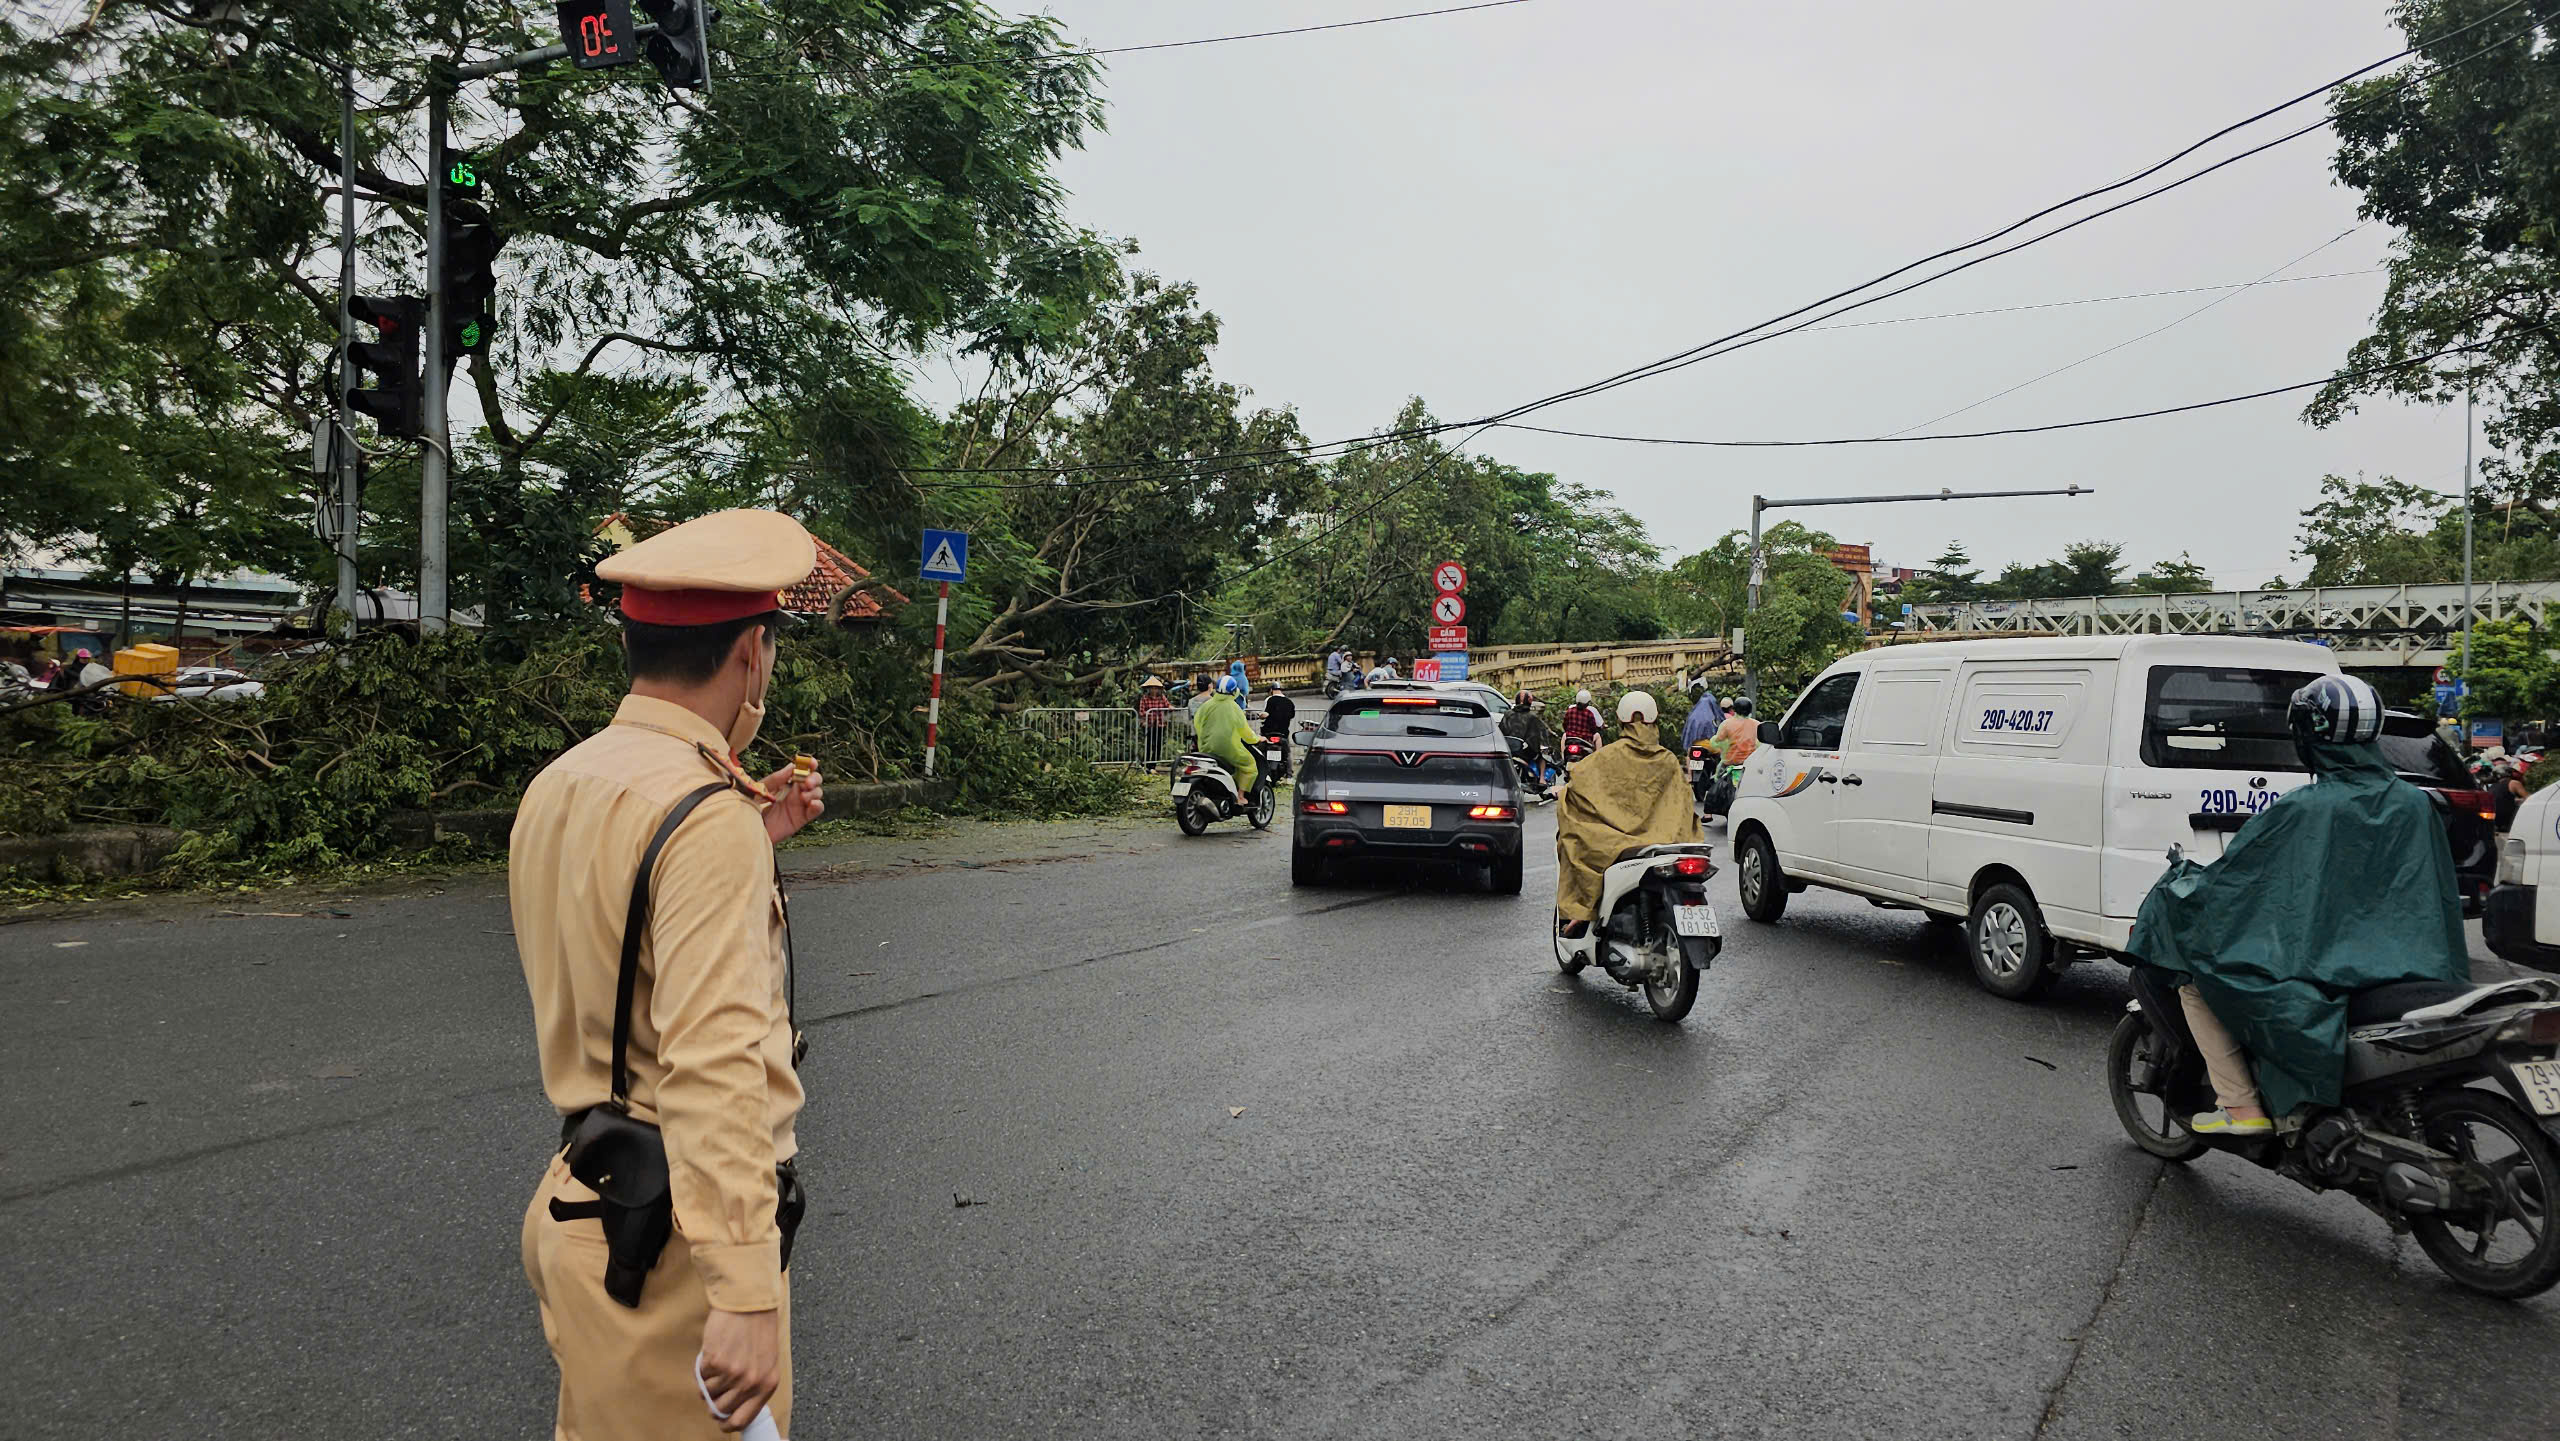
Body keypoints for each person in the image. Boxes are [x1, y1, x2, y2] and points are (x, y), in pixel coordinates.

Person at [511, 508, 829, 1438]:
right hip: (671, 1250)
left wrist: (749, 841)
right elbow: (714, 1056)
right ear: (752, 653)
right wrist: (743, 1285)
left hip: (581, 1204)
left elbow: (611, 939)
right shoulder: (702, 815)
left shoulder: (565, 780)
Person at [2127, 673, 2469, 1138]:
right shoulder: (2416, 804)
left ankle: (2240, 1107)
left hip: (2327, 970)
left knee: (2197, 984)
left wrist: (2182, 887)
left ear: (2307, 736)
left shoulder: (2304, 808)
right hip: (2414, 968)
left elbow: (2235, 887)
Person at [1553, 690, 1703, 937]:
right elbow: (1685, 804)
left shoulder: (1606, 756)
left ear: (1622, 721)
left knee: (1572, 840)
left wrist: (1562, 791)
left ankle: (1582, 909)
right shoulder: (1668, 760)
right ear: (1655, 720)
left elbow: (1578, 784)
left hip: (1617, 843)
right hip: (1668, 842)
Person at [1194, 675, 1260, 796]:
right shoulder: (1235, 708)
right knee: (1249, 765)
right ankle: (1240, 795)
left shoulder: (1206, 706)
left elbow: (1198, 724)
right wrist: (1257, 739)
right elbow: (1245, 732)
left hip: (1206, 748)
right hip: (1229, 750)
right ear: (1234, 691)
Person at [1501, 689, 1555, 798]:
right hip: (1524, 752)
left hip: (1508, 750)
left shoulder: (1507, 714)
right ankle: (1542, 779)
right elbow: (1539, 735)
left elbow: (1501, 731)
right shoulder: (1532, 717)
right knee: (1542, 755)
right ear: (1529, 702)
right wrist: (1544, 744)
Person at [1259, 682, 1296, 782]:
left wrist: (1260, 715)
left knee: (1260, 751)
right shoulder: (1289, 702)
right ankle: (1289, 776)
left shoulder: (1269, 699)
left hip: (1269, 732)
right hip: (1283, 733)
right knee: (1287, 753)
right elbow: (1292, 716)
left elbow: (1265, 714)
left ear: (1271, 690)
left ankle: (1260, 773)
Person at [1707, 696, 1757, 767]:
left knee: (1718, 775)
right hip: (1750, 763)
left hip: (1730, 762)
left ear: (1735, 709)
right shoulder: (1756, 724)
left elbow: (1718, 740)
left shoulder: (1726, 724)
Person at [1137, 676, 1172, 770]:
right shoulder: (1144, 698)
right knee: (1148, 744)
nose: (1153, 690)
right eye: (1152, 688)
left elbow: (1168, 705)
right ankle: (1146, 763)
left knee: (1158, 745)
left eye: (1155, 688)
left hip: (1160, 724)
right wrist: (1152, 713)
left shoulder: (1162, 697)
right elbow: (1141, 712)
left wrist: (1170, 708)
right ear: (1148, 689)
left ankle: (1153, 765)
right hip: (1149, 725)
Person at [1680, 680, 1723, 753]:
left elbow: (1686, 735)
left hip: (1693, 747)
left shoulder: (1692, 716)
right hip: (1710, 746)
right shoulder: (1713, 712)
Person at [1560, 689, 1604, 758]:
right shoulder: (1589, 713)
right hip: (1585, 739)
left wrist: (1569, 731)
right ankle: (1598, 758)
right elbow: (1593, 729)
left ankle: (1563, 756)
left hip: (1570, 738)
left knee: (1564, 735)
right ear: (1587, 703)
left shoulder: (1570, 711)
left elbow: (1565, 724)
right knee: (1597, 736)